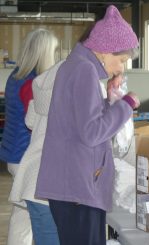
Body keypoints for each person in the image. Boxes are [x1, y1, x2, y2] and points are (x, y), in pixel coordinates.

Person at [35, 5, 140, 245]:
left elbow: (79, 120)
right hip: (77, 189)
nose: (121, 68)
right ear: (105, 51)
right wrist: (126, 105)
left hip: (74, 187)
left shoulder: (77, 66)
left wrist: (109, 102)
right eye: (121, 59)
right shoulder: (84, 71)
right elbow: (92, 132)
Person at [0, 28, 58, 245]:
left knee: (21, 215)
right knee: (31, 216)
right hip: (24, 156)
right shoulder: (32, 83)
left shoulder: (16, 76)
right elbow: (33, 122)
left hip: (13, 153)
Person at [9, 61, 64, 245]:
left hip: (32, 177)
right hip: (44, 184)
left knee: (31, 227)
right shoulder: (65, 101)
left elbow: (30, 122)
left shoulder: (38, 92)